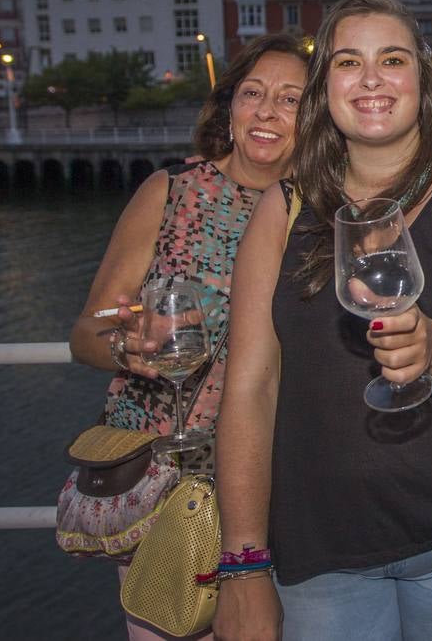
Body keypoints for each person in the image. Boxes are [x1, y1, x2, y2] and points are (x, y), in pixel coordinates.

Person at [214, 0, 432, 641]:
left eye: (390, 60)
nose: (369, 79)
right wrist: (242, 564)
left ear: (421, 79)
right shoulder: (281, 209)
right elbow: (249, 389)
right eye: (347, 62)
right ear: (323, 88)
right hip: (320, 549)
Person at [68, 32, 310, 641]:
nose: (267, 111)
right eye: (253, 93)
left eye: (291, 98)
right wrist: (129, 348)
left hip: (278, 473)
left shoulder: (321, 212)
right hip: (166, 481)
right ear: (229, 106)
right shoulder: (169, 193)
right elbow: (86, 332)